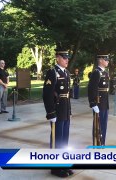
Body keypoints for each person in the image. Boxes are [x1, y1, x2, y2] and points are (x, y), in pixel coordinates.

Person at [42, 48, 73, 177]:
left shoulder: (66, 72)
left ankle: (64, 164)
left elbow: (67, 94)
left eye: (67, 58)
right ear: (58, 58)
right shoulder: (52, 72)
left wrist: (69, 111)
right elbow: (47, 94)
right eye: (64, 57)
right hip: (57, 110)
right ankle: (55, 167)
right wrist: (51, 113)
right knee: (56, 139)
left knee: (64, 139)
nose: (67, 60)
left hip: (65, 110)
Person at [88, 53, 110, 146]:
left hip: (104, 103)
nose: (107, 61)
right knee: (98, 125)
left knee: (104, 125)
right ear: (100, 60)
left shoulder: (105, 73)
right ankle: (97, 144)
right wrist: (93, 103)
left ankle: (102, 143)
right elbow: (92, 88)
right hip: (99, 103)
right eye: (105, 59)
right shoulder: (96, 72)